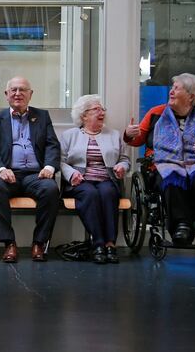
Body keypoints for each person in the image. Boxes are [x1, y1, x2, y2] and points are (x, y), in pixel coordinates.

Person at [124, 73, 195, 247]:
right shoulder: (156, 114)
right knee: (172, 177)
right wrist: (129, 134)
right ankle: (181, 226)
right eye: (172, 88)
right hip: (165, 163)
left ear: (191, 97)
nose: (171, 91)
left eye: (176, 89)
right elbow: (137, 140)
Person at [0, 76, 61, 262]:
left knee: (51, 189)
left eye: (23, 90)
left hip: (36, 174)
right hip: (8, 174)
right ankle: (9, 243)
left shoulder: (42, 116)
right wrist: (1, 169)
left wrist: (50, 166)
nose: (18, 94)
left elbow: (52, 145)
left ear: (31, 94)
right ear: (6, 94)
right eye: (14, 90)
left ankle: (39, 243)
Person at [60, 95, 130, 264]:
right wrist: (71, 174)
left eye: (102, 109)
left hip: (107, 179)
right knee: (90, 194)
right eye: (96, 109)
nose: (102, 112)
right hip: (80, 181)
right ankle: (98, 243)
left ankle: (110, 244)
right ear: (84, 115)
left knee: (107, 193)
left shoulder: (114, 134)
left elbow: (124, 159)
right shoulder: (69, 135)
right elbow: (60, 161)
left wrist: (122, 167)